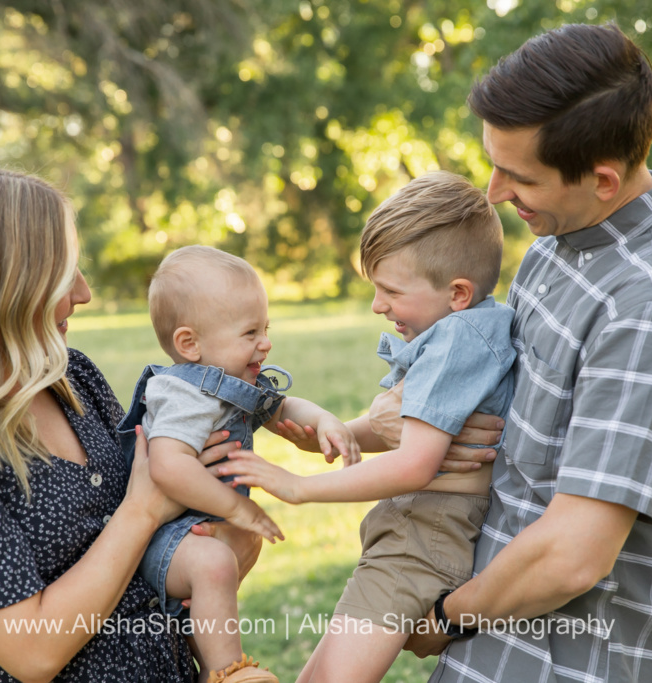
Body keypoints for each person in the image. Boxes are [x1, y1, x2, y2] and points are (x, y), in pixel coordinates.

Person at [394, 24, 652, 683]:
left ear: (603, 179)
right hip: (497, 644)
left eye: (518, 175)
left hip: (578, 662)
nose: (494, 191)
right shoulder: (558, 245)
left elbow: (572, 556)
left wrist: (444, 615)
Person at [0, 165, 261, 683]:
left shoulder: (68, 378)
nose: (83, 293)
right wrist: (145, 508)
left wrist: (218, 529)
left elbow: (166, 568)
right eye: (65, 274)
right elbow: (33, 652)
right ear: (3, 285)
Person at [220, 171, 515, 683]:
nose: (378, 305)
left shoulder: (453, 343)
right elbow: (424, 431)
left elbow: (416, 463)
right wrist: (344, 436)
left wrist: (300, 488)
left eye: (390, 291)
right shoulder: (469, 329)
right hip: (419, 534)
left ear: (458, 293)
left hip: (421, 538)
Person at [114, 245, 360, 682]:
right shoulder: (184, 393)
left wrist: (324, 420)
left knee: (222, 559)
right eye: (250, 333)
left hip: (193, 535)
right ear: (190, 343)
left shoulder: (230, 381)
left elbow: (282, 408)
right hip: (159, 540)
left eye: (265, 328)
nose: (265, 342)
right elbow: (168, 468)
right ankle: (228, 672)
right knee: (214, 563)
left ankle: (207, 659)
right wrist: (236, 508)